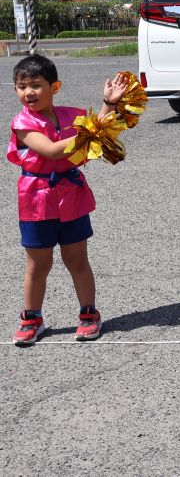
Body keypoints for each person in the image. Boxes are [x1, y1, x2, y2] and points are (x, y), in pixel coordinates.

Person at [8, 55, 128, 346]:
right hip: (36, 198)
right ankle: (32, 318)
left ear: (55, 87)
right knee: (38, 265)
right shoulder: (22, 122)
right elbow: (51, 151)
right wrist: (88, 132)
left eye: (36, 85)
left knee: (77, 260)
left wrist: (109, 104)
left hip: (71, 196)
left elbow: (99, 126)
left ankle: (89, 314)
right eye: (22, 87)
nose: (29, 92)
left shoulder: (69, 116)